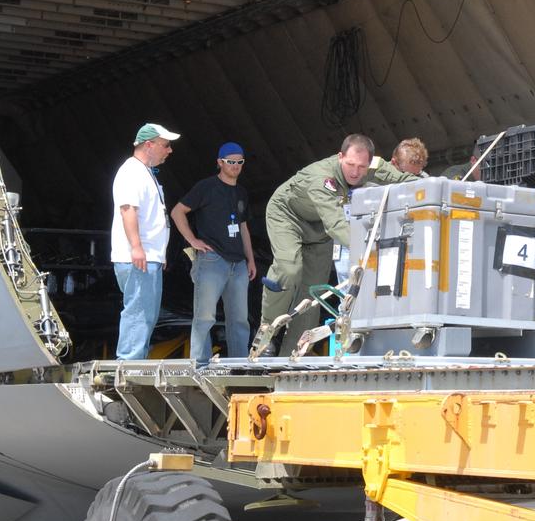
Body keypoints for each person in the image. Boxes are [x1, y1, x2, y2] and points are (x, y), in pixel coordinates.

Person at [258, 134, 413, 354]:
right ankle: (267, 332)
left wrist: (440, 184)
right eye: (350, 164)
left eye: (361, 166)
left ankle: (294, 351)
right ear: (340, 157)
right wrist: (366, 250)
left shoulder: (372, 167)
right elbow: (335, 223)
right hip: (288, 216)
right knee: (289, 268)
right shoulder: (322, 178)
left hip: (319, 228)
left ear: (369, 163)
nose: (355, 172)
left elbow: (403, 179)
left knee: (312, 291)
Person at [170, 142, 257, 364]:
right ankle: (199, 365)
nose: (236, 166)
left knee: (239, 319)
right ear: (219, 162)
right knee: (204, 316)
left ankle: (239, 365)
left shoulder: (241, 192)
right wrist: (193, 240)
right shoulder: (205, 187)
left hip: (238, 264)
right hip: (212, 259)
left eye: (240, 162)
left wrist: (250, 259)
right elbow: (178, 211)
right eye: (231, 162)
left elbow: (243, 226)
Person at [110, 122, 180, 359]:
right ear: (149, 145)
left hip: (149, 257)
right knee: (139, 311)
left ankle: (133, 361)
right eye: (166, 145)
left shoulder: (144, 172)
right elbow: (128, 209)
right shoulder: (132, 172)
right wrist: (137, 247)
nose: (169, 151)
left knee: (146, 312)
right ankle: (129, 363)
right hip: (139, 257)